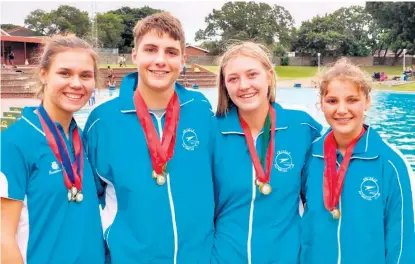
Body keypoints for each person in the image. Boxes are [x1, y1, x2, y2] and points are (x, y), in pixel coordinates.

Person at [83, 12, 214, 263]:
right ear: (135, 54)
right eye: (151, 49)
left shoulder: (201, 110)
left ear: (183, 59)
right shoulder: (102, 121)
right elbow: (91, 198)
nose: (160, 60)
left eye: (171, 52)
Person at [211, 42, 322, 264]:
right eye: (233, 78)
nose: (244, 85)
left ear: (269, 77)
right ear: (224, 85)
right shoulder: (210, 132)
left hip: (286, 257)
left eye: (252, 75)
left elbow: (320, 201)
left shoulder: (302, 128)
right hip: (223, 257)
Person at [0, 34, 105, 264]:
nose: (76, 84)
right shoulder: (14, 142)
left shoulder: (82, 139)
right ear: (44, 74)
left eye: (85, 75)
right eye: (65, 73)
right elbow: (3, 238)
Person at [301, 58, 415, 264]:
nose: (342, 110)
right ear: (321, 103)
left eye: (352, 100)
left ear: (367, 101)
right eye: (332, 101)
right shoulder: (310, 156)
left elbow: (401, 240)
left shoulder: (389, 163)